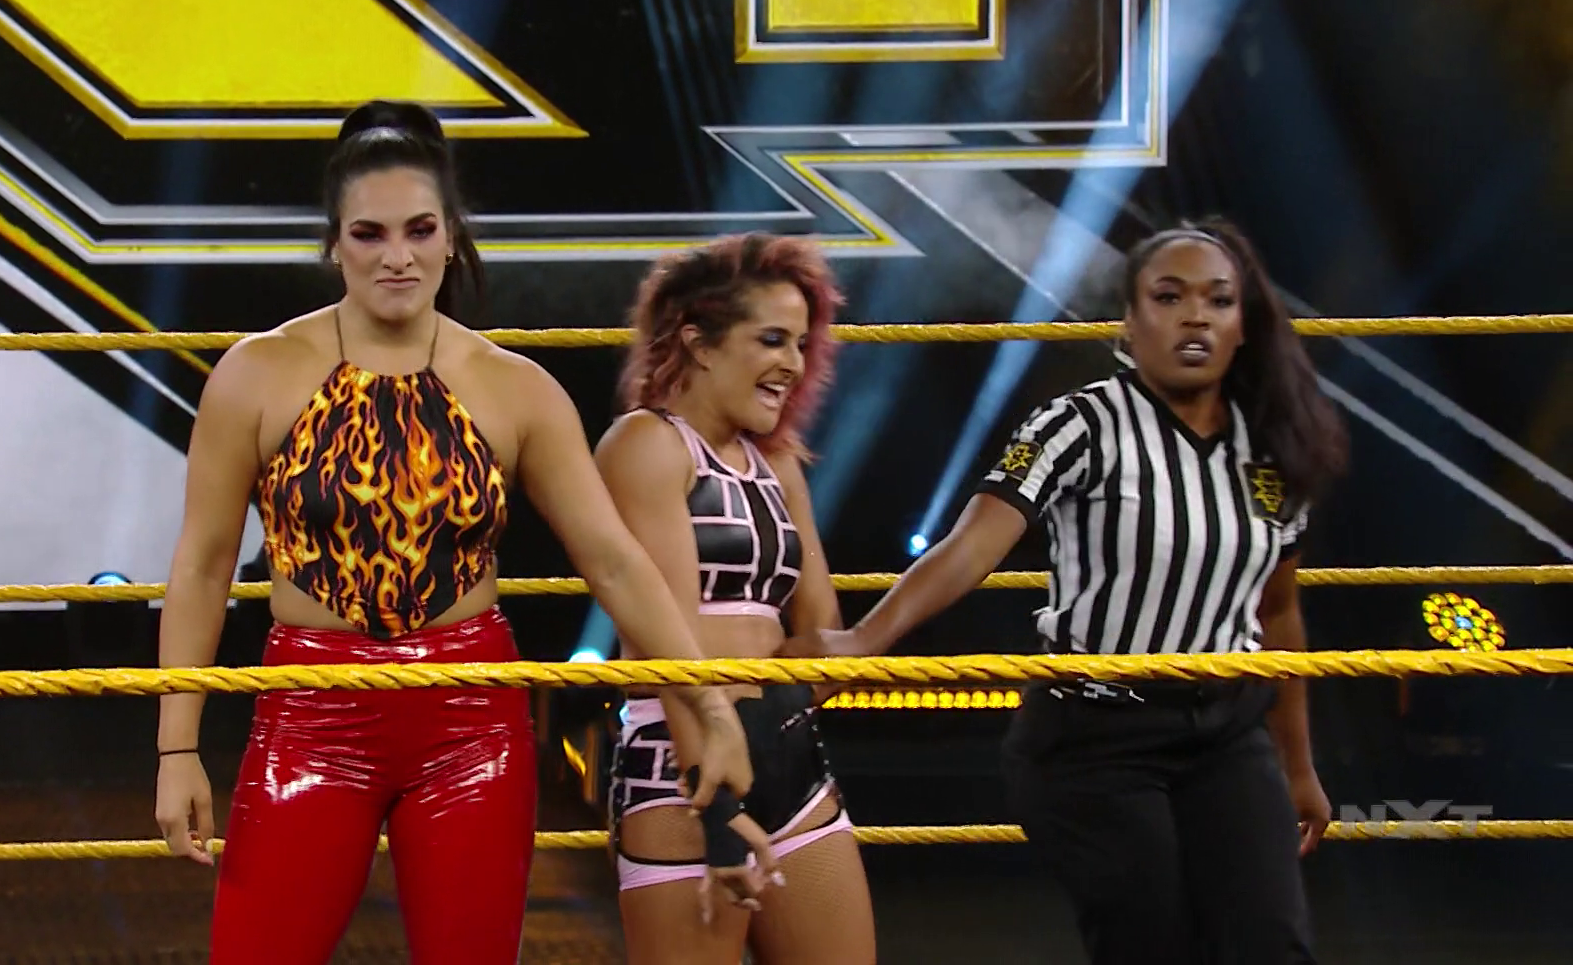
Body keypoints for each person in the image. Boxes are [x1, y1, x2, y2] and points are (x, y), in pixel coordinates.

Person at [152, 100, 765, 965]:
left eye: (419, 230)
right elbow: (203, 564)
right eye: (368, 234)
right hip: (311, 709)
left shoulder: (516, 389)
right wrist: (176, 745)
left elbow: (615, 563)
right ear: (334, 244)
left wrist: (706, 704)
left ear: (451, 236)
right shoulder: (257, 374)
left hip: (470, 717)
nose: (396, 256)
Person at [784, 219, 1349, 965]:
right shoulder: (1079, 425)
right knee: (1151, 945)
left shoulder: (1272, 449)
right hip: (1097, 735)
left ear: (1243, 325)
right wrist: (864, 639)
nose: (1195, 317)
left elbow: (1278, 611)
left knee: (1271, 943)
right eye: (1169, 297)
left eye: (1218, 300)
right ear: (1129, 322)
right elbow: (974, 543)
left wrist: (1298, 766)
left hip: (1227, 734)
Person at [595, 233, 876, 964]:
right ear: (699, 343)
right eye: (772, 340)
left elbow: (821, 628)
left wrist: (773, 703)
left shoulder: (777, 463)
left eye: (801, 345)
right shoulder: (646, 444)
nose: (794, 364)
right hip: (678, 766)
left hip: (790, 754)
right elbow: (666, 642)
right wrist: (718, 810)